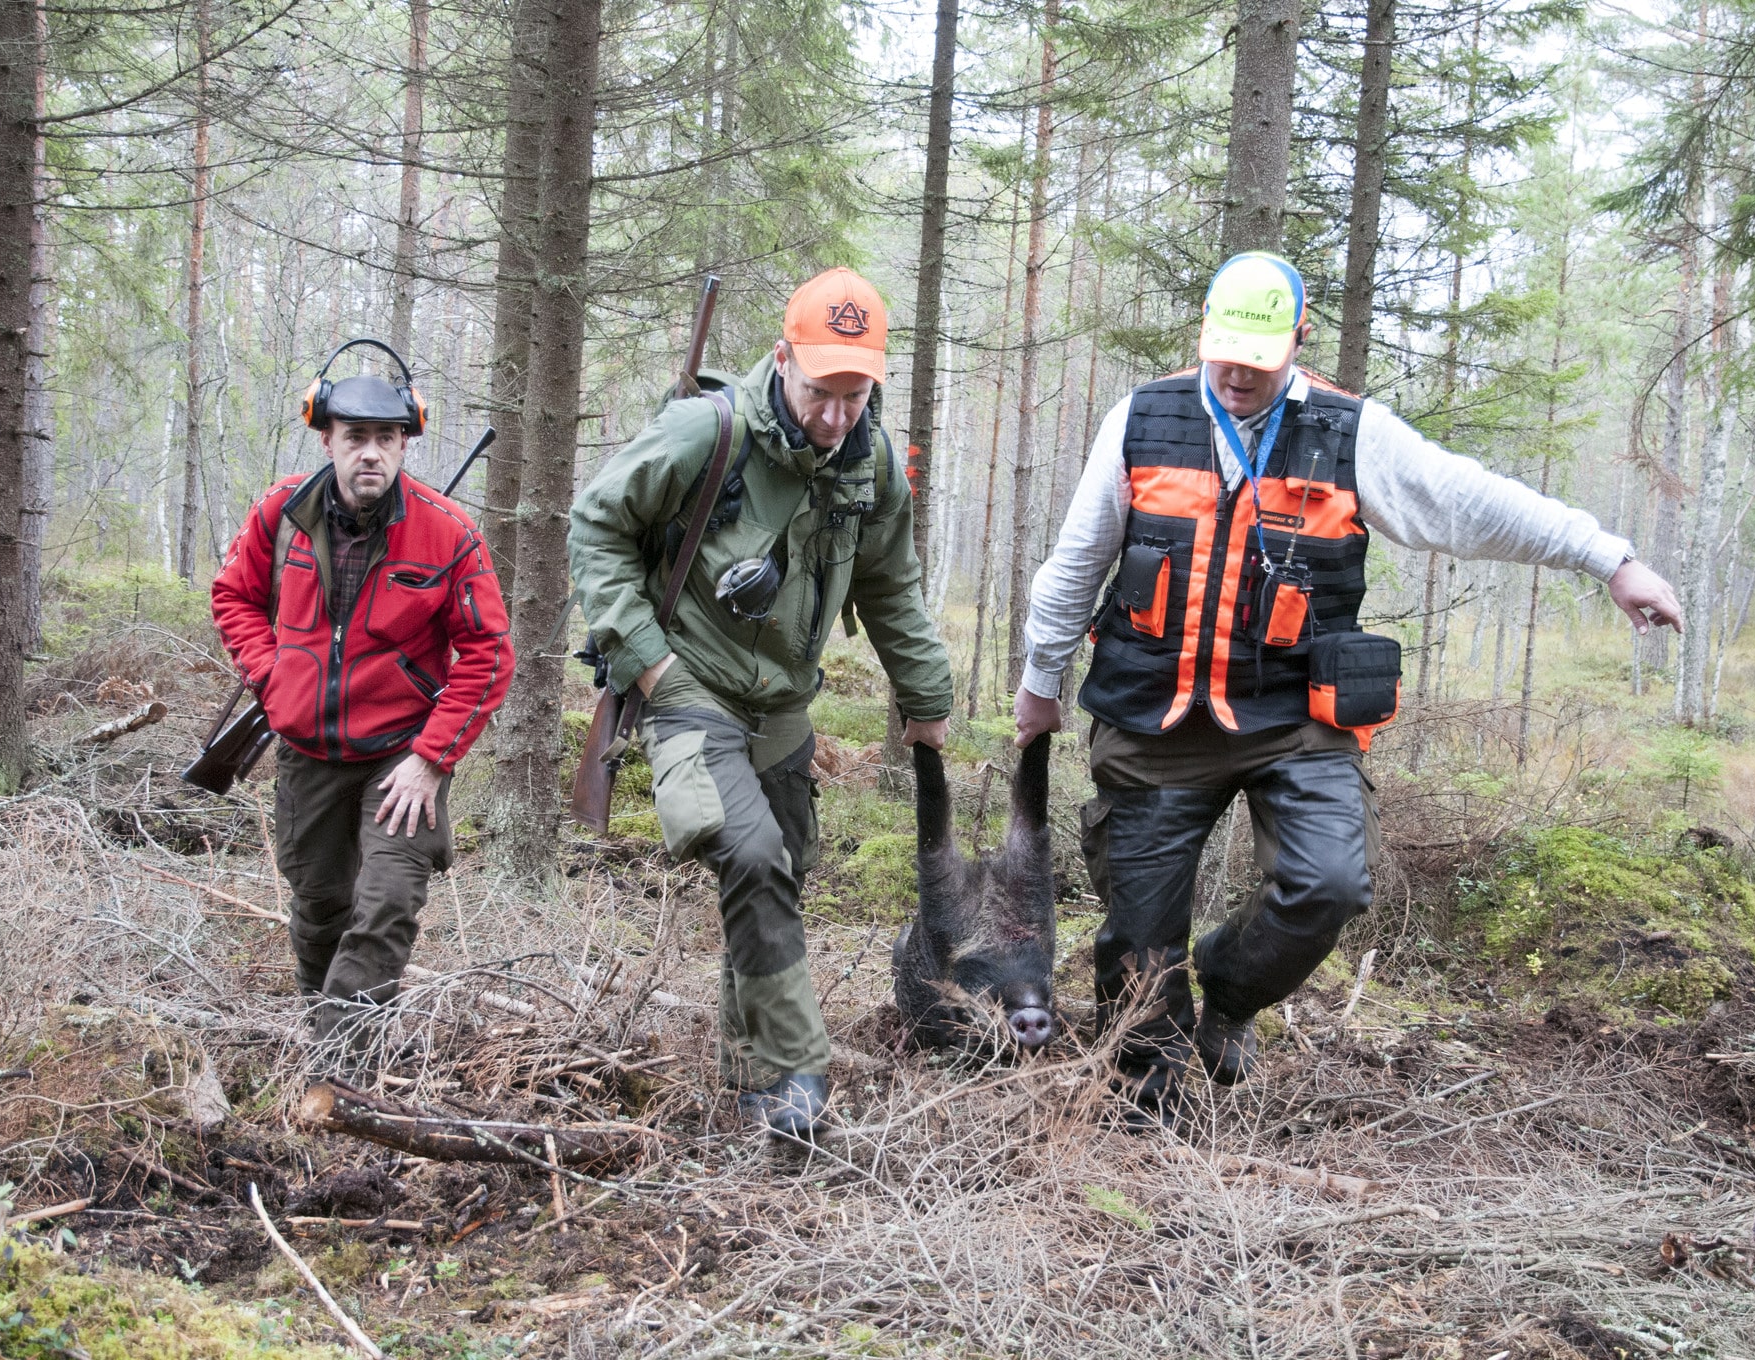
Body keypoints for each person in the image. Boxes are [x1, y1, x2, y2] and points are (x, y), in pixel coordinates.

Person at [1014, 253, 1683, 1128]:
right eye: (1225, 352)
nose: (1239, 372)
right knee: (1137, 951)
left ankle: (1229, 990)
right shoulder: (1142, 420)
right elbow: (1077, 562)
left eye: (1260, 355)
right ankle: (1145, 1109)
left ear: (1298, 341)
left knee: (1326, 883)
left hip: (1294, 718)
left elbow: (1470, 501)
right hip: (1155, 716)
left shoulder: (1349, 431)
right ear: (1204, 336)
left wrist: (1610, 559)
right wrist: (1040, 681)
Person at [569, 268, 952, 1139]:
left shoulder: (873, 466)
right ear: (783, 359)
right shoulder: (708, 431)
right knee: (749, 852)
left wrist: (926, 695)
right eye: (821, 392)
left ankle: (747, 1079)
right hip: (689, 687)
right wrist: (649, 666)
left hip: (784, 706)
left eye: (857, 396)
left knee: (784, 870)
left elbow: (892, 588)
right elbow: (595, 523)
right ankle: (792, 1071)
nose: (836, 415)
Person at [212, 344, 515, 1068]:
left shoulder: (448, 533)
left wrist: (431, 759)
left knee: (384, 908)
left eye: (386, 439)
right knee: (319, 906)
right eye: (356, 438)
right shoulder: (281, 515)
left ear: (405, 441)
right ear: (328, 440)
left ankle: (339, 1060)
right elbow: (233, 597)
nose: (371, 454)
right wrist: (271, 673)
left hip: (401, 758)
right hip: (308, 753)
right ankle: (325, 1027)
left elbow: (489, 654)